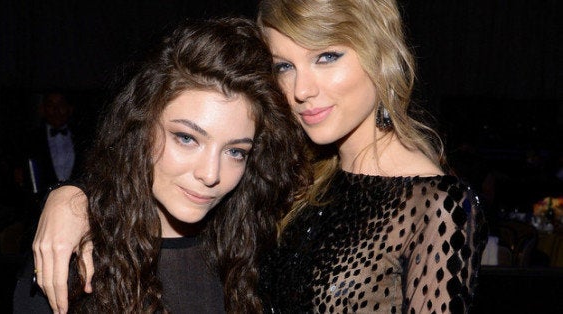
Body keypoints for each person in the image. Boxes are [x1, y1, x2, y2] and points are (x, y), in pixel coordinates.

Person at [32, 0, 488, 313]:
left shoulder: (436, 204)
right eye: (284, 66)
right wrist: (74, 198)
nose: (300, 89)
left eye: (327, 56)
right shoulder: (296, 172)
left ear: (380, 53)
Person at [13, 16, 309, 313]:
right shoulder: (74, 257)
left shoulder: (260, 252)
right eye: (187, 138)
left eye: (235, 152)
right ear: (140, 128)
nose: (210, 174)